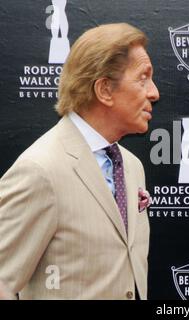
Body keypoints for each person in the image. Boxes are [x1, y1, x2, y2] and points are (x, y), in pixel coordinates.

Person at [0, 23, 159, 299]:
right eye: (143, 78)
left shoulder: (132, 166)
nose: (154, 92)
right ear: (105, 90)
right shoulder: (40, 170)